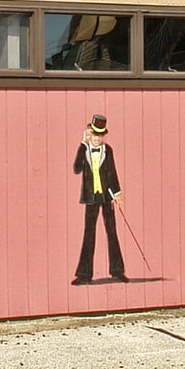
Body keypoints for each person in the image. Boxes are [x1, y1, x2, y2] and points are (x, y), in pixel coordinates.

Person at [72, 114, 125, 284]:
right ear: (89, 134)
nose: (97, 139)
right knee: (89, 233)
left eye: (100, 136)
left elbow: (112, 173)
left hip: (106, 196)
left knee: (111, 231)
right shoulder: (85, 149)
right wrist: (82, 144)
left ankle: (117, 271)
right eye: (94, 135)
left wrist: (117, 194)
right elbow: (76, 169)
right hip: (91, 198)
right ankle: (84, 274)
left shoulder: (108, 150)